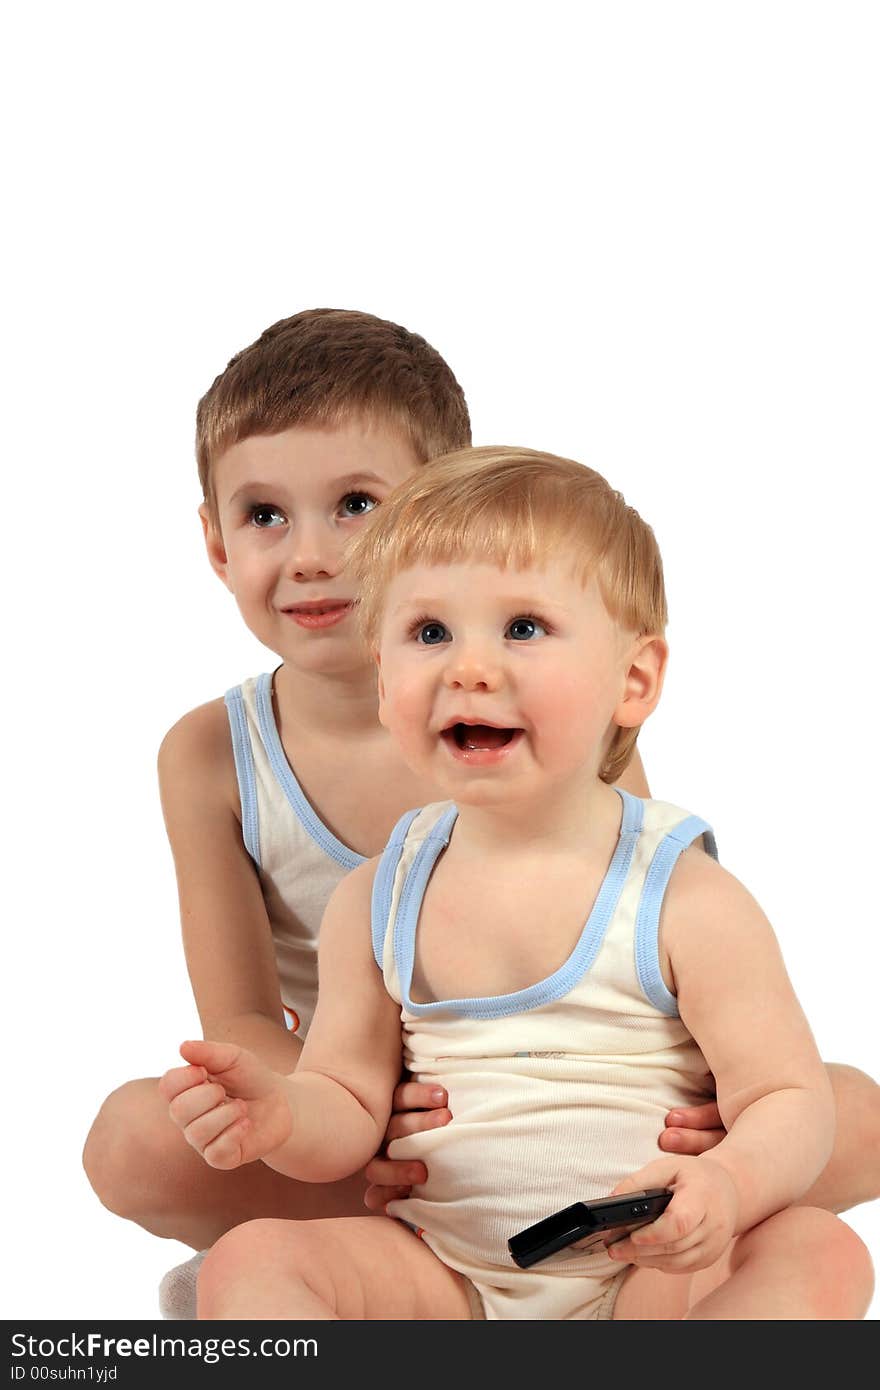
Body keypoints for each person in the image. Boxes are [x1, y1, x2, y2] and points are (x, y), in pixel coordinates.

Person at [83, 310, 879, 1314]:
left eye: (358, 505)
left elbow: (656, 970)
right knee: (139, 1139)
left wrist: (726, 1156)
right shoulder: (281, 810)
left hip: (622, 1179)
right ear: (214, 536)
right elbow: (247, 1021)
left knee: (840, 1119)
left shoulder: (609, 806)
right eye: (267, 516)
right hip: (407, 1154)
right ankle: (325, 1269)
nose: (316, 555)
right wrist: (332, 1118)